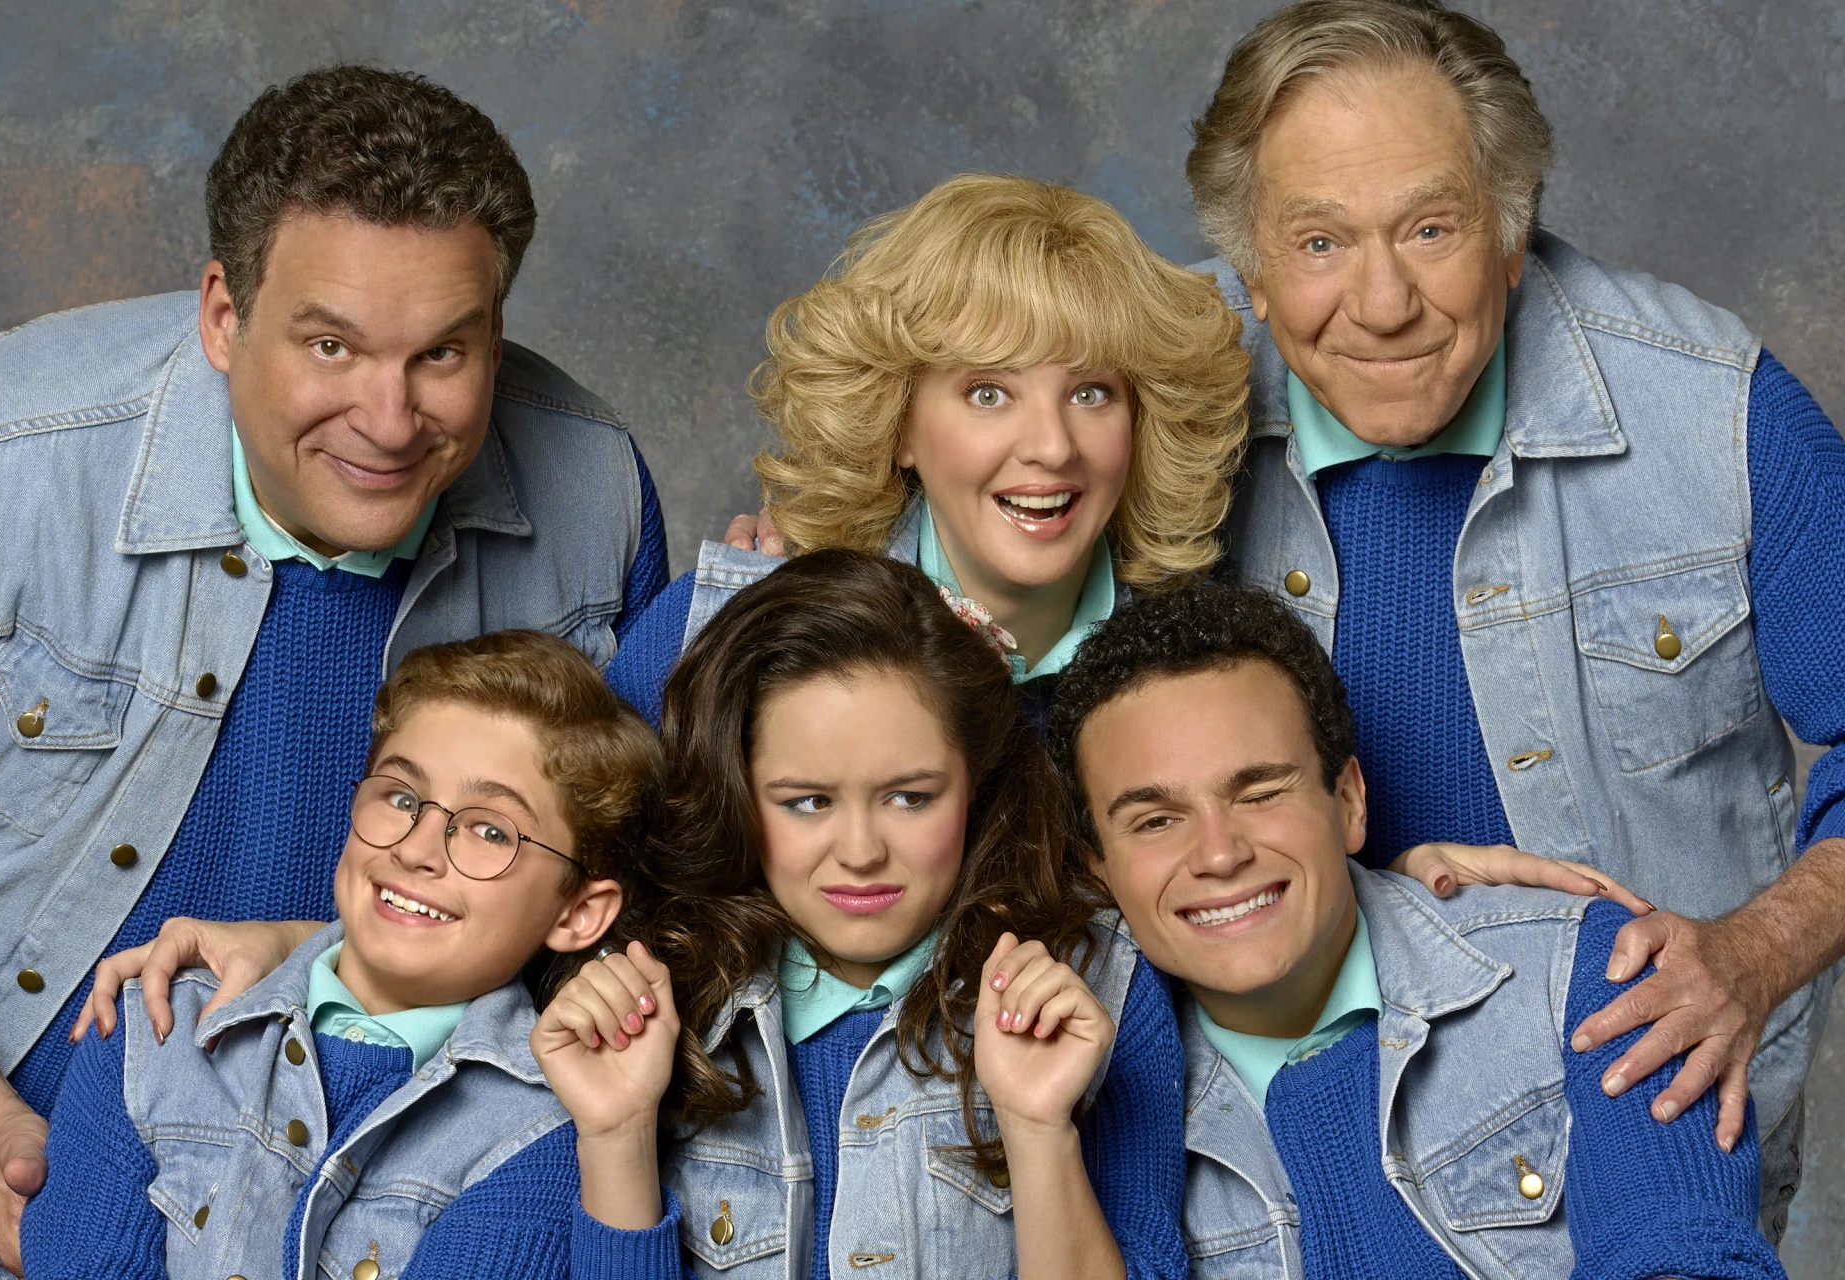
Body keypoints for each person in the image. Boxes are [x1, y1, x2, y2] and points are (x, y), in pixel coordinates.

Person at [0, 66, 667, 1275]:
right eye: (332, 344)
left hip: (392, 1210)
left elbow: (619, 888)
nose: (386, 417)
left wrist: (301, 941)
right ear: (223, 312)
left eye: (444, 354)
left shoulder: (593, 495)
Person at [1183, 0, 1845, 1235]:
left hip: (1640, 1151)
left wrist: (1755, 953)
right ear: (1251, 269)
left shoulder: (1713, 414)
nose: (1381, 303)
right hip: (1247, 1171)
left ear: (1511, 224)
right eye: (1319, 241)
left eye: (1430, 227)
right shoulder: (1135, 396)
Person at [1050, 580, 1785, 1279]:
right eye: (1156, 821)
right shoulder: (1090, 1113)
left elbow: (1684, 1245)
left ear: (1348, 803)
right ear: (1100, 871)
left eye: (1261, 791)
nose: (1219, 854)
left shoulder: (1591, 971)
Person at [541, 551, 1189, 1279]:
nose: (860, 853)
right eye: (807, 801)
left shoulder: (1099, 976)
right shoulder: (653, 989)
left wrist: (1039, 1135)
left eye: (910, 797)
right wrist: (616, 1136)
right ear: (739, 792)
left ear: (975, 783)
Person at [19, 631, 681, 1279]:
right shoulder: (152, 1026)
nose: (416, 848)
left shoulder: (538, 1137)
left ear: (577, 913)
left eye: (489, 831)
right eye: (401, 798)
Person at [603, 172, 1251, 728]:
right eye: (989, 394)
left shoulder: (1216, 668)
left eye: (1091, 394)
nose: (1053, 447)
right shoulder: (709, 641)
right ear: (899, 425)